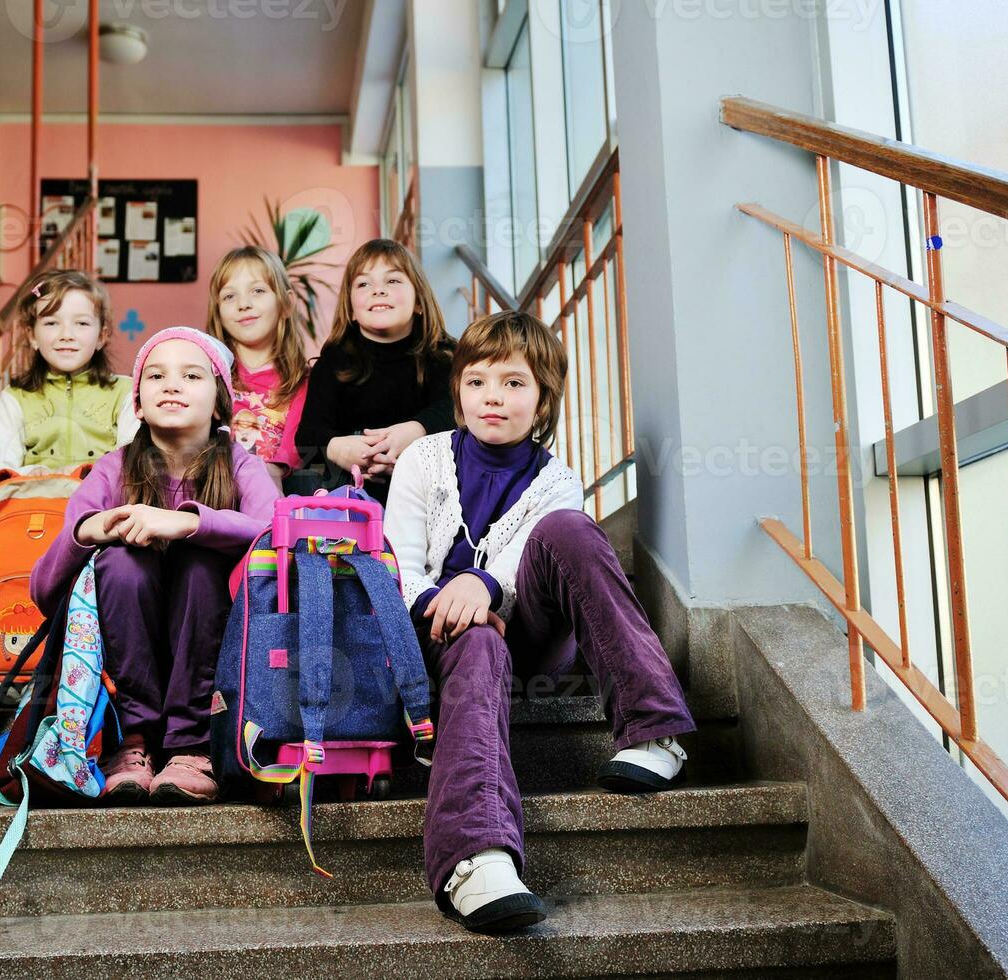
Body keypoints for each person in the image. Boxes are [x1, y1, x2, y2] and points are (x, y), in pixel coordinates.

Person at [384, 310, 696, 933]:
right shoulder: (422, 459)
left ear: (544, 396)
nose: (492, 397)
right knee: (475, 643)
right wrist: (446, 605)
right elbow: (399, 562)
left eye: (513, 382)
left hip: (527, 633)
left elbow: (514, 563)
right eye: (476, 382)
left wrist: (485, 586)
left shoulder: (555, 478)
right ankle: (477, 859)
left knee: (570, 530)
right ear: (458, 393)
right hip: (437, 637)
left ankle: (653, 728)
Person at [29, 326, 280, 806]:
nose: (172, 385)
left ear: (221, 404)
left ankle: (192, 746)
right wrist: (86, 532)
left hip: (210, 661)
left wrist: (187, 523)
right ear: (138, 404)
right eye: (157, 376)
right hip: (128, 660)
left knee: (202, 565)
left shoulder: (242, 465)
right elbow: (43, 592)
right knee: (123, 563)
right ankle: (132, 743)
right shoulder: (113, 468)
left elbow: (274, 536)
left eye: (191, 375)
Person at [294, 238, 455, 500]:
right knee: (308, 477)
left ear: (418, 302)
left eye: (392, 281)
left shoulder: (443, 356)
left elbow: (455, 410)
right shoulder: (334, 361)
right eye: (364, 283)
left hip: (426, 488)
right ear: (352, 310)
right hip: (351, 489)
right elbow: (309, 433)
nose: (378, 290)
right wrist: (338, 449)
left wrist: (417, 430)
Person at [0, 269, 138, 483]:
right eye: (51, 323)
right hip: (36, 506)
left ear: (102, 336)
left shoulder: (125, 392)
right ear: (32, 335)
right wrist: (30, 473)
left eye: (81, 323)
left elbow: (134, 465)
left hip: (101, 508)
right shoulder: (16, 397)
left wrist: (84, 471)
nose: (66, 335)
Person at [204, 245, 310, 487]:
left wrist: (269, 475)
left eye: (258, 291)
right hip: (212, 487)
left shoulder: (302, 381)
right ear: (218, 311)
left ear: (286, 303)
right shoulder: (209, 375)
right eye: (230, 296)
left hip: (272, 489)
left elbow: (294, 445)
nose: (244, 304)